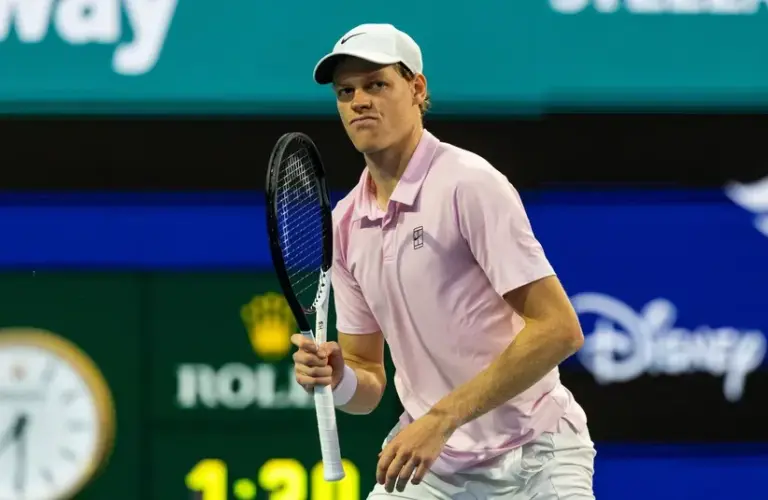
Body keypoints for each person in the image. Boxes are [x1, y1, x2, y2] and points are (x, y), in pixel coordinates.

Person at [291, 23, 596, 499]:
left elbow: (559, 330)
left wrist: (442, 417)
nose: (359, 102)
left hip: (534, 455)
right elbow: (366, 379)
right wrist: (340, 377)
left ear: (417, 89)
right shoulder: (345, 224)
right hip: (434, 468)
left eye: (376, 85)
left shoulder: (468, 184)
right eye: (345, 92)